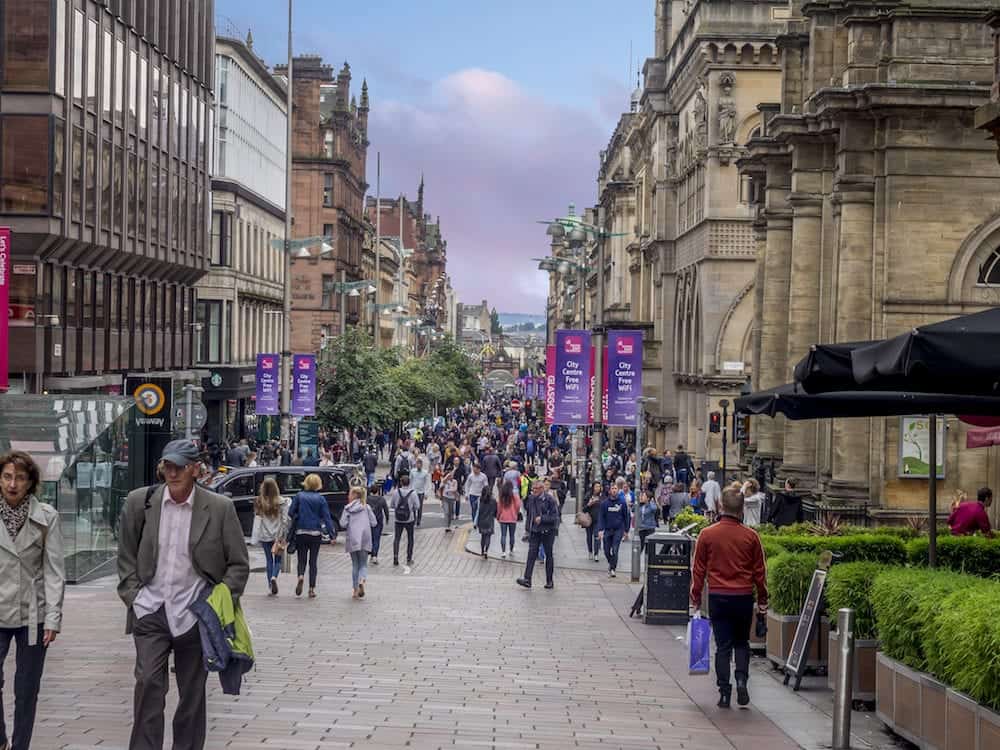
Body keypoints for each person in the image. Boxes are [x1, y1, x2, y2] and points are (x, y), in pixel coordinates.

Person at [117, 439, 249, 750]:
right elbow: (125, 556)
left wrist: (216, 603)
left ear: (195, 469)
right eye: (167, 465)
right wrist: (135, 597)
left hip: (195, 614)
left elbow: (238, 565)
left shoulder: (219, 508)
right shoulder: (141, 502)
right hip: (151, 609)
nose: (172, 472)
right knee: (148, 682)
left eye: (179, 466)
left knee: (192, 693)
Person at [0, 451, 65, 750]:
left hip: (32, 615)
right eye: (7, 476)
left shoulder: (46, 517)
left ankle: (20, 745)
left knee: (26, 688)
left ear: (31, 483)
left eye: (20, 478)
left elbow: (54, 572)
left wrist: (52, 618)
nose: (13, 484)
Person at [690, 487, 768, 709]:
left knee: (722, 646)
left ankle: (724, 693)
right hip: (743, 596)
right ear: (742, 508)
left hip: (718, 596)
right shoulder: (751, 537)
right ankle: (742, 680)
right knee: (742, 643)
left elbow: (698, 570)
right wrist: (762, 601)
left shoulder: (707, 534)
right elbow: (760, 573)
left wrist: (695, 598)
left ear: (721, 506)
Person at [289, 474, 335, 599]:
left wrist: (299, 514)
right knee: (313, 561)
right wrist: (332, 535)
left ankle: (300, 576)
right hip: (315, 532)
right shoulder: (321, 499)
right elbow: (327, 517)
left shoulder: (299, 496)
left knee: (301, 558)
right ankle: (311, 589)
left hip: (301, 531)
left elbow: (290, 512)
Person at [516, 480, 560, 590]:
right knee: (531, 555)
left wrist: (543, 518)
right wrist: (528, 529)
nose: (534, 491)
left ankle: (549, 581)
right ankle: (527, 579)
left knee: (548, 555)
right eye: (533, 489)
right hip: (535, 531)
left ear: (541, 489)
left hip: (548, 531)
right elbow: (529, 514)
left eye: (536, 489)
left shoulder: (550, 500)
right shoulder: (531, 499)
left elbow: (555, 517)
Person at [250, 477, 290, 595]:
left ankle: (269, 585)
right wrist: (283, 535)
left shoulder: (259, 501)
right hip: (277, 535)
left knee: (268, 559)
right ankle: (274, 577)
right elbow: (285, 520)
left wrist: (255, 536)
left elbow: (257, 519)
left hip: (264, 534)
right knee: (278, 560)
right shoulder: (281, 501)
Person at [340, 487, 378, 599]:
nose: (348, 496)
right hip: (365, 537)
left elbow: (342, 523)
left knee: (355, 564)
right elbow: (374, 522)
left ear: (354, 495)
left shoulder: (347, 508)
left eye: (350, 494)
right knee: (363, 564)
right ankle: (362, 580)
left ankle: (355, 590)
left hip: (353, 538)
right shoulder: (366, 507)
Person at [598, 483, 631, 578]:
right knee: (606, 550)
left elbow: (626, 516)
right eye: (612, 488)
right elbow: (601, 517)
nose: (614, 490)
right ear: (609, 490)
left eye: (616, 488)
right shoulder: (604, 503)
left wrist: (626, 530)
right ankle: (611, 563)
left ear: (618, 490)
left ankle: (613, 569)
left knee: (615, 550)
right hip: (608, 530)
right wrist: (600, 529)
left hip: (618, 530)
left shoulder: (622, 502)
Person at [389, 474, 420, 566]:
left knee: (397, 538)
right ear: (409, 483)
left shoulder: (396, 492)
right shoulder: (413, 493)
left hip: (398, 519)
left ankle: (395, 557)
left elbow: (392, 505)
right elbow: (417, 506)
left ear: (401, 482)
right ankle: (409, 558)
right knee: (410, 538)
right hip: (409, 518)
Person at [496, 480, 521, 559]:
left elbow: (499, 507)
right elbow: (518, 505)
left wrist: (498, 516)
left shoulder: (501, 496)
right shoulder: (515, 495)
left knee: (503, 535)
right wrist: (516, 513)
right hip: (513, 518)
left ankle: (503, 552)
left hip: (503, 518)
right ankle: (511, 550)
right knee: (512, 535)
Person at [367, 486, 390, 565]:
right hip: (378, 520)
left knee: (370, 538)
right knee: (376, 539)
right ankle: (374, 556)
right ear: (378, 491)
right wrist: (387, 518)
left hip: (368, 521)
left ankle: (369, 551)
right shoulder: (381, 499)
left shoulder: (367, 499)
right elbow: (386, 509)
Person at [476, 482, 498, 558]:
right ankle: (486, 551)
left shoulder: (481, 500)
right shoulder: (494, 501)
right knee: (488, 536)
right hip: (490, 521)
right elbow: (496, 512)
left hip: (481, 520)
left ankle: (482, 551)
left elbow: (478, 511)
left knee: (483, 537)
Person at [409, 459, 430, 526]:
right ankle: (414, 519)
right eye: (417, 464)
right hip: (413, 491)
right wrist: (409, 490)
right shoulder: (412, 471)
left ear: (422, 465)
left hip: (421, 492)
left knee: (419, 507)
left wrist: (426, 493)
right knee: (413, 506)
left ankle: (419, 520)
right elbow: (410, 481)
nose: (418, 465)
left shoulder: (425, 472)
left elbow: (427, 483)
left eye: (420, 464)